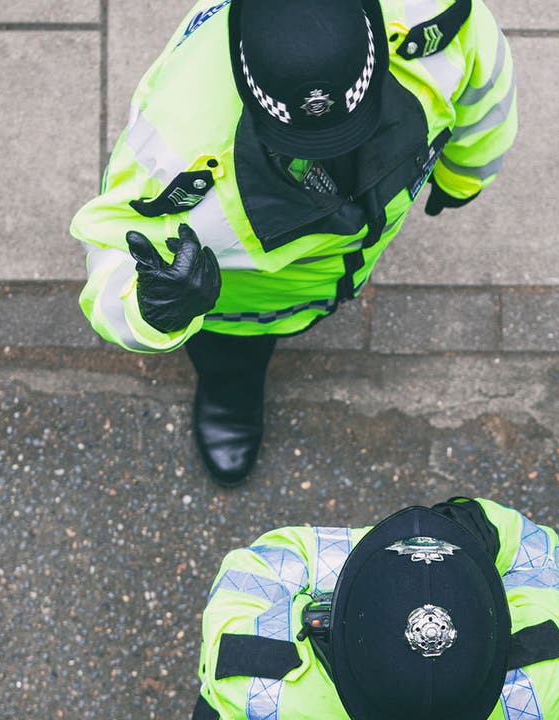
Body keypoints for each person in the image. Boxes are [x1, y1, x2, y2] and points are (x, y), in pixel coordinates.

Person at [71, 0, 516, 486]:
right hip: (241, 310)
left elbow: (486, 88)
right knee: (230, 354)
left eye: (352, 126)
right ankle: (230, 389)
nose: (339, 151)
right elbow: (109, 253)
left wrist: (464, 174)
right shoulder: (173, 154)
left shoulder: (434, 17)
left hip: (325, 272)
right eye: (307, 141)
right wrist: (152, 309)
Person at [191, 497, 559, 719]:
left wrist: (376, 565)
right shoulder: (548, 677)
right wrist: (465, 533)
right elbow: (537, 557)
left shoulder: (257, 687)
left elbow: (260, 567)